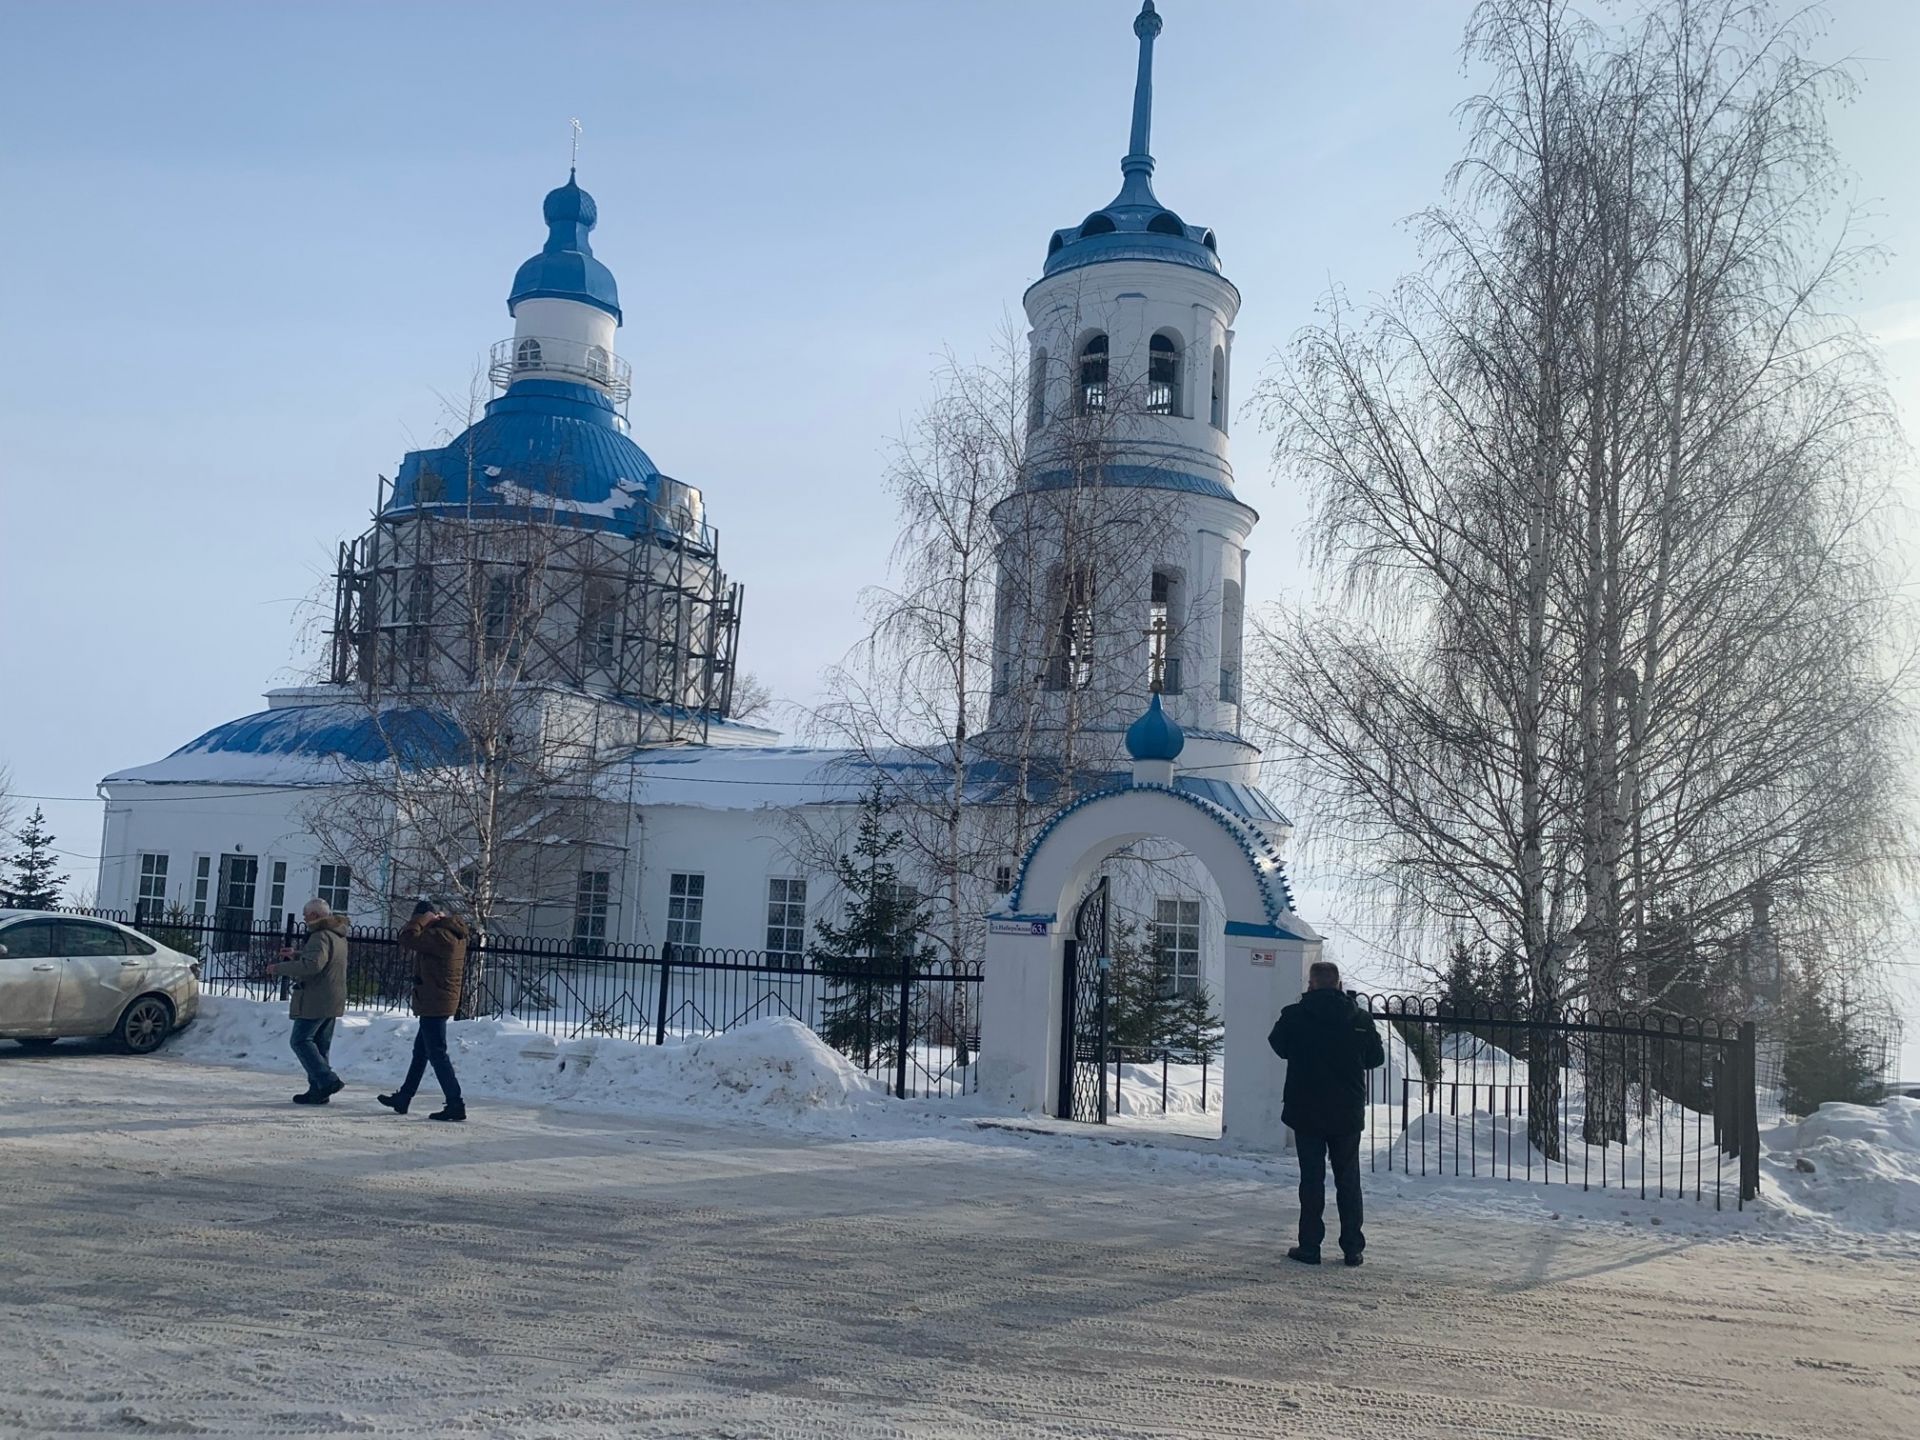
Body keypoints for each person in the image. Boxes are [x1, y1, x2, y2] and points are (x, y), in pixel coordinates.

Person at [1268, 960, 1385, 1267]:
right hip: (1346, 1112)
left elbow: (1278, 1046)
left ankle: (1309, 1247)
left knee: (1311, 1179)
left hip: (1305, 1110)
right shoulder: (1359, 1018)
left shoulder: (1294, 1016)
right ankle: (1352, 1248)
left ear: (1311, 984)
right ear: (1338, 984)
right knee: (1348, 1179)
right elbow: (1375, 1058)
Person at [378, 899, 469, 1122]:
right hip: (437, 999)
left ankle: (455, 1103)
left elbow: (407, 938)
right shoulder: (449, 933)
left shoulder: (441, 936)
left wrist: (421, 920)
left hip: (435, 1001)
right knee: (421, 1052)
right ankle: (405, 1097)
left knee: (437, 1052)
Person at [264, 899, 350, 1105]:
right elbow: (323, 958)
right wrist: (297, 954)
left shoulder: (319, 935)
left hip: (316, 999)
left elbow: (313, 966)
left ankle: (328, 1080)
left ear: (314, 915)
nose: (303, 918)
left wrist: (279, 968)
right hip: (332, 996)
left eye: (305, 914)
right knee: (320, 1045)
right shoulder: (337, 934)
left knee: (300, 1040)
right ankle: (319, 1090)